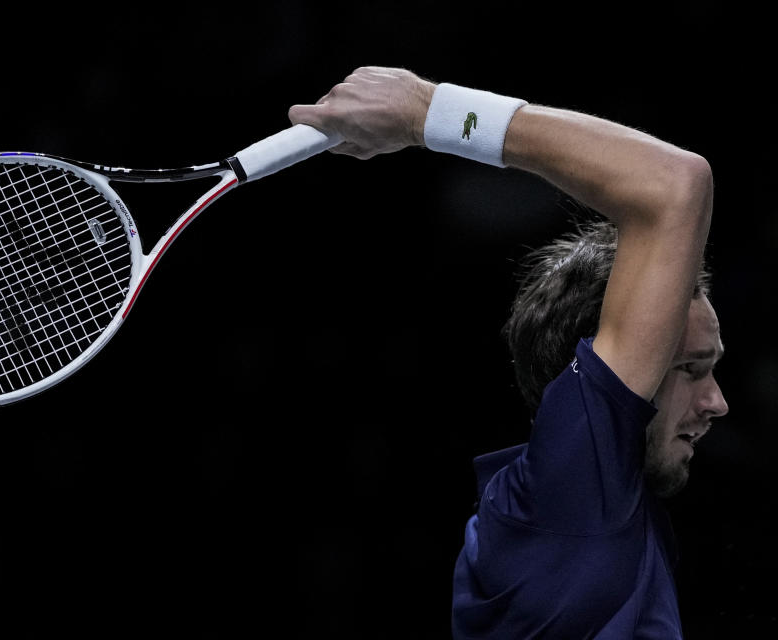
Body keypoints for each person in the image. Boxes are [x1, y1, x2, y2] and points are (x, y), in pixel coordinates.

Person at [289, 67, 728, 638]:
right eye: (691, 369)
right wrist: (427, 110)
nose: (717, 402)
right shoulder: (570, 504)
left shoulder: (580, 518)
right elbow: (674, 182)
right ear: (590, 368)